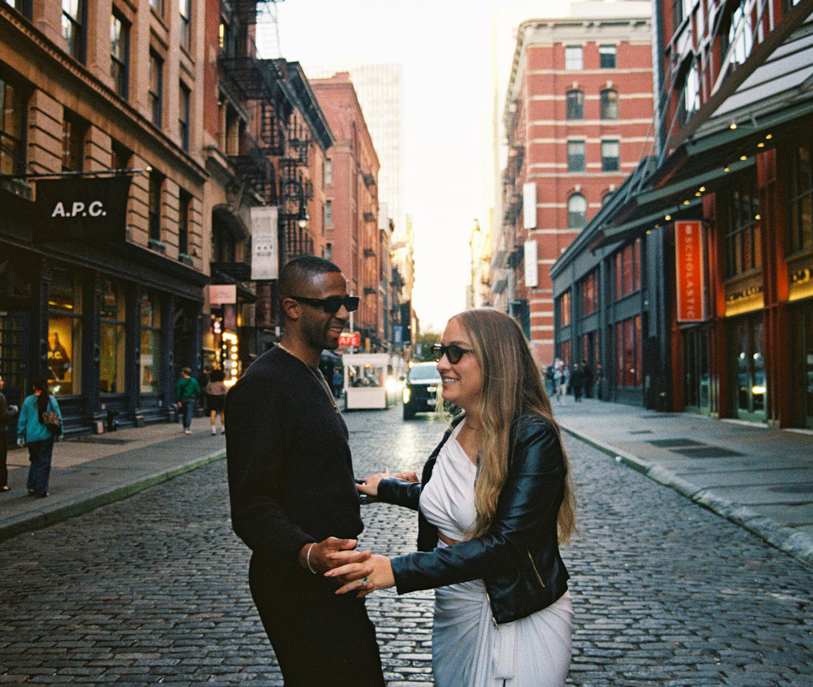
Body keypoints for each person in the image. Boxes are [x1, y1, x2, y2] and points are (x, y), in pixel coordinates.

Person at [335, 308, 576, 686]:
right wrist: (385, 488)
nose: (441, 364)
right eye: (440, 351)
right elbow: (450, 501)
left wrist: (396, 570)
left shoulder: (532, 435)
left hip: (515, 614)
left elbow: (506, 545)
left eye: (456, 352)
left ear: (496, 358)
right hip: (455, 610)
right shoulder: (460, 426)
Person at [225, 255, 383, 687]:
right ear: (292, 308)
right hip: (296, 582)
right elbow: (252, 503)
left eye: (346, 301)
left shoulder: (313, 374)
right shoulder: (264, 385)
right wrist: (307, 552)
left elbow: (303, 470)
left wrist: (369, 488)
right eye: (330, 303)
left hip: (332, 573)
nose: (344, 313)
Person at [17, 376, 63, 498]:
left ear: (34, 387)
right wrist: (60, 432)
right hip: (46, 435)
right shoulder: (50, 400)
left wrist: (20, 435)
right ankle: (41, 489)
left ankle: (31, 485)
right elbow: (58, 416)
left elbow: (22, 419)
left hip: (31, 435)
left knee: (35, 460)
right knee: (44, 463)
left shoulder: (28, 401)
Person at [176, 367, 201, 435]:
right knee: (189, 412)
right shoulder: (194, 381)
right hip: (191, 398)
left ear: (184, 373)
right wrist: (197, 398)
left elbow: (178, 391)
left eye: (182, 372)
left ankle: (185, 427)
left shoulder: (181, 381)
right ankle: (187, 427)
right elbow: (197, 391)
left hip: (183, 398)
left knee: (184, 413)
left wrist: (178, 400)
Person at [205, 369, 227, 435]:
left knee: (213, 413)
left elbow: (207, 390)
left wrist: (211, 393)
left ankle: (213, 430)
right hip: (220, 398)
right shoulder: (221, 383)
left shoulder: (210, 383)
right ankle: (223, 428)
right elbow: (226, 391)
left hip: (213, 398)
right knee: (222, 413)